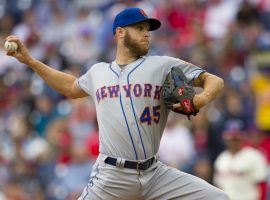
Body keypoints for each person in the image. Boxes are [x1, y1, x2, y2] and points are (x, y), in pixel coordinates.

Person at [5, 7, 228, 200]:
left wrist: (200, 99)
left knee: (219, 197)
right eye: (139, 28)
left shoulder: (163, 65)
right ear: (120, 33)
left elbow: (214, 81)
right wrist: (31, 61)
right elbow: (70, 87)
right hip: (112, 176)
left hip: (155, 173)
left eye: (147, 30)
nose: (146, 34)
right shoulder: (98, 72)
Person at [214, 119, 268, 200]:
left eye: (236, 139)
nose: (233, 142)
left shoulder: (254, 155)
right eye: (231, 139)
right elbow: (218, 187)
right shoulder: (221, 159)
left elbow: (262, 184)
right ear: (225, 139)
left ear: (242, 138)